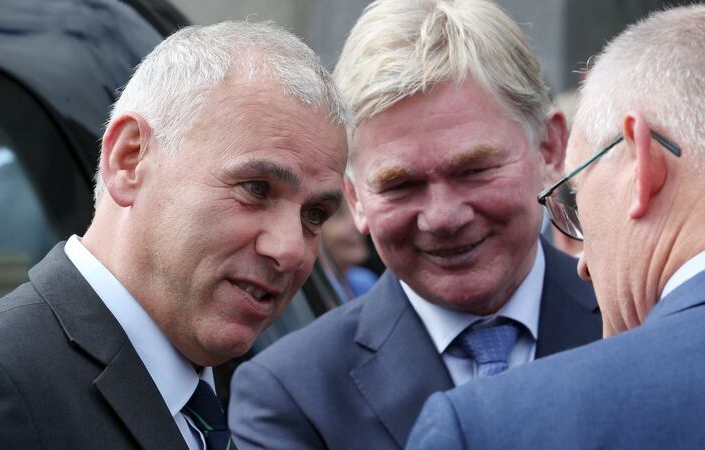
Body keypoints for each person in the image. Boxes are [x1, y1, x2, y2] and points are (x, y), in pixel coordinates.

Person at [0, 21, 349, 449]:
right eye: (256, 189)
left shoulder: (230, 397)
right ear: (130, 159)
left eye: (314, 214)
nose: (290, 250)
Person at [228, 1, 601, 449]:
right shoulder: (293, 397)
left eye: (474, 170)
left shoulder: (646, 323)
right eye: (401, 185)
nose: (443, 217)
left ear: (549, 149)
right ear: (355, 198)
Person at [407, 4, 705, 449]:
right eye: (402, 185)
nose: (582, 264)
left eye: (577, 198)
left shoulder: (491, 426)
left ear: (642, 165)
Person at [319, 199, 378, 301]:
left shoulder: (365, 282)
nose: (358, 224)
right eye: (339, 215)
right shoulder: (315, 293)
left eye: (356, 210)